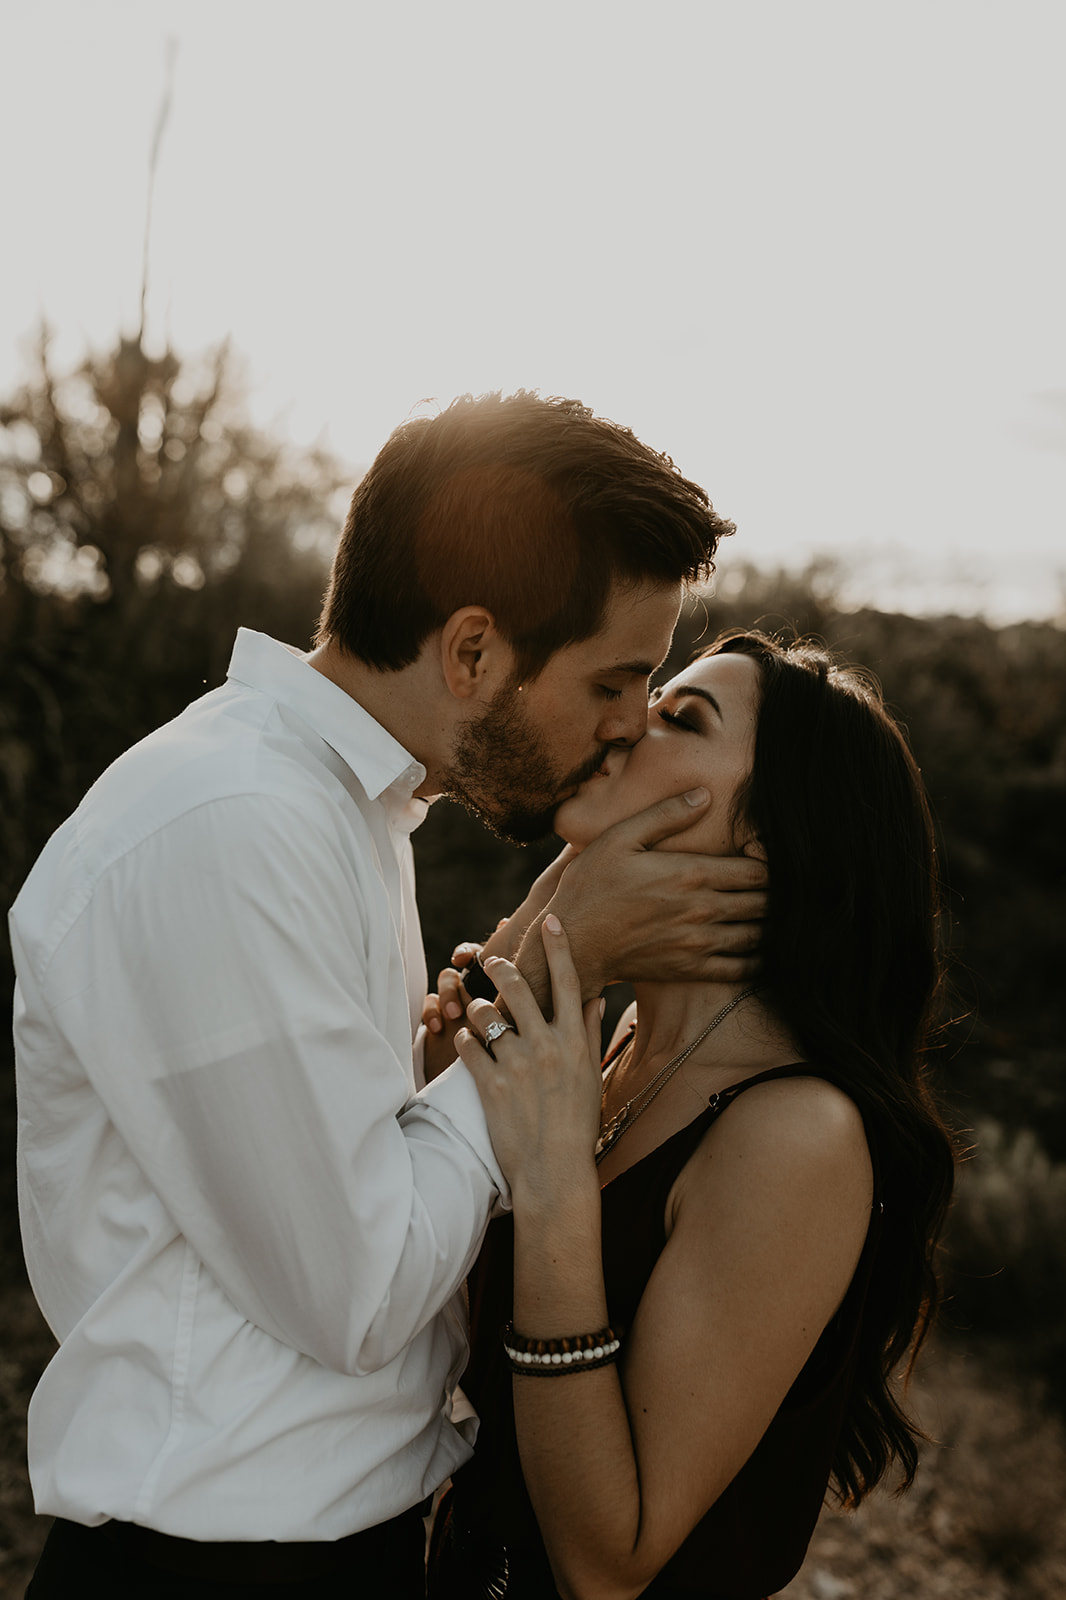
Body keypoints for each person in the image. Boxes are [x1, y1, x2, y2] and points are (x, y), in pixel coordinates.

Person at [9, 390, 766, 1598]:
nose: (627, 730)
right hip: (212, 1564)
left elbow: (355, 1176)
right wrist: (559, 949)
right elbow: (361, 1292)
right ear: (471, 652)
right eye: (615, 683)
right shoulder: (239, 826)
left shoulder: (338, 812)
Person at [426, 630, 957, 1600]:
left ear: (765, 833)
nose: (626, 721)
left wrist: (547, 1188)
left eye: (678, 717)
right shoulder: (619, 1043)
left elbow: (608, 1561)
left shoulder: (792, 1133)